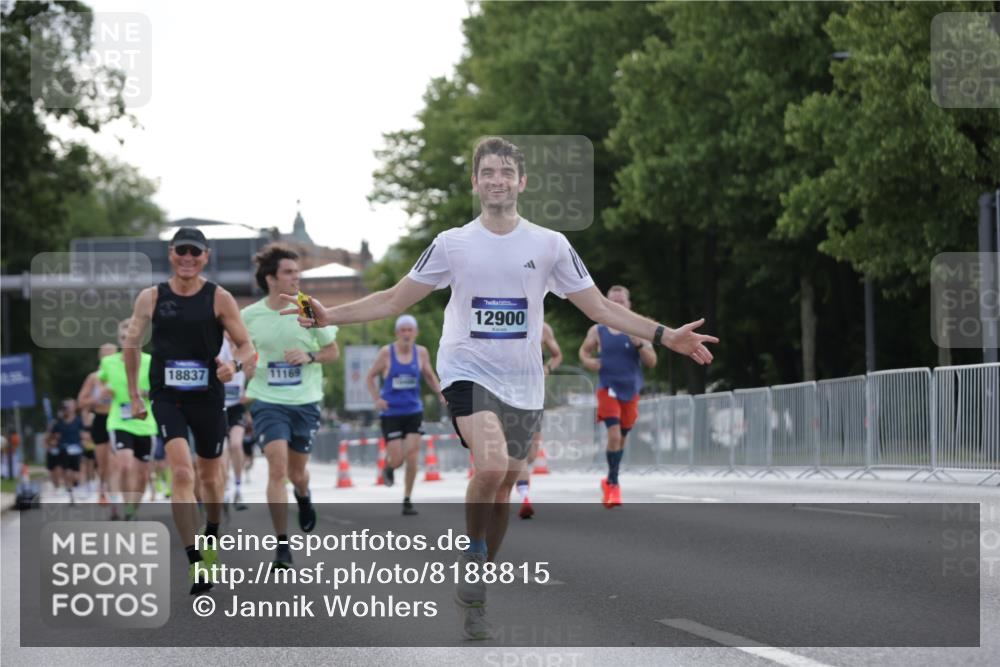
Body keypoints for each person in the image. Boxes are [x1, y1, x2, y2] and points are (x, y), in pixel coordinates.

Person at [281, 136, 718, 639]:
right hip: (466, 369)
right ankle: (472, 553)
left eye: (506, 173)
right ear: (475, 182)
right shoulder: (452, 244)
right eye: (488, 172)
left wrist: (666, 335)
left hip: (523, 381)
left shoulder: (550, 244)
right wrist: (330, 316)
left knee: (506, 483)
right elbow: (394, 299)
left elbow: (600, 307)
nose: (497, 180)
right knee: (489, 466)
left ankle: (480, 577)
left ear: (522, 182)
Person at [124, 227, 256, 595]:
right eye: (181, 251)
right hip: (167, 396)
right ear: (170, 254)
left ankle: (212, 529)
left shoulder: (220, 298)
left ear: (205, 257)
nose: (187, 258)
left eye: (195, 252)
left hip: (208, 396)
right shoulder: (151, 297)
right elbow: (131, 344)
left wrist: (235, 367)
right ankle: (195, 560)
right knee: (182, 473)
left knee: (210, 479)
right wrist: (134, 395)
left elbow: (246, 346)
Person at [242, 243, 339, 568]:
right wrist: (241, 366)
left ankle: (303, 494)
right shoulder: (249, 316)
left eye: (298, 272)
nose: (296, 278)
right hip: (267, 400)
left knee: (297, 474)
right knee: (277, 467)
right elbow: (241, 352)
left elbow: (332, 352)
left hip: (305, 401)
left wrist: (309, 355)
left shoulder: (308, 307)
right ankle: (282, 544)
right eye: (288, 272)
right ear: (271, 278)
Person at [579, 285, 657, 508]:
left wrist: (640, 344)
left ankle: (610, 479)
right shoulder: (598, 330)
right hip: (607, 388)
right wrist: (588, 362)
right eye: (613, 301)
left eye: (621, 301)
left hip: (630, 390)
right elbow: (583, 351)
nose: (617, 305)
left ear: (628, 304)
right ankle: (613, 483)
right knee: (613, 435)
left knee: (622, 436)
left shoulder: (640, 328)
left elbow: (652, 362)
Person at [366, 314, 446, 516]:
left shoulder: (421, 353)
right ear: (397, 333)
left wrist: (440, 392)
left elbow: (429, 375)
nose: (406, 334)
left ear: (415, 332)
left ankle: (407, 499)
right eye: (403, 330)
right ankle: (389, 467)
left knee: (412, 456)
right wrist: (377, 399)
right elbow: (370, 376)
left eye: (410, 330)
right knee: (398, 459)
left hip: (413, 411)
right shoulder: (387, 353)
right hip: (391, 412)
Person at [101, 319, 158, 520]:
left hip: (145, 422)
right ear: (119, 340)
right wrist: (103, 392)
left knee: (143, 474)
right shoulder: (109, 362)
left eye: (131, 337)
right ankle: (126, 507)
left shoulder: (151, 361)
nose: (127, 341)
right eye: (123, 337)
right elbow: (101, 384)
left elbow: (160, 390)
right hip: (119, 421)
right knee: (124, 465)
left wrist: (144, 393)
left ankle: (133, 507)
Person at [516, 321, 562, 519]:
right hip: (510, 390)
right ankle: (524, 495)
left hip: (534, 394)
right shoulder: (508, 321)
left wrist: (547, 368)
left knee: (532, 452)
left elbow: (557, 355)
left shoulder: (544, 328)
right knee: (518, 447)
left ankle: (514, 476)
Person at [77, 343, 118, 506]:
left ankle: (114, 498)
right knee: (103, 463)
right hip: (101, 419)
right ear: (100, 358)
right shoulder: (93, 378)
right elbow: (81, 402)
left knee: (114, 461)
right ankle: (102, 488)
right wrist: (97, 398)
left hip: (118, 419)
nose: (108, 358)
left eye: (111, 355)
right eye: (105, 356)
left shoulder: (122, 374)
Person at [219, 332, 250, 511]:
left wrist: (250, 393)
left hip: (237, 406)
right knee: (222, 451)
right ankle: (225, 490)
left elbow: (256, 373)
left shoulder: (245, 347)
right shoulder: (218, 344)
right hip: (218, 406)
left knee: (236, 445)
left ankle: (238, 487)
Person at [46, 399, 84, 503]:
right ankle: (70, 490)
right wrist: (53, 438)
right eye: (64, 409)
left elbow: (83, 433)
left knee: (76, 473)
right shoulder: (58, 423)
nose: (66, 411)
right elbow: (51, 437)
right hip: (64, 449)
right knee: (66, 471)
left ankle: (76, 487)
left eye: (67, 408)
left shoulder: (78, 421)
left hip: (76, 450)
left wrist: (84, 440)